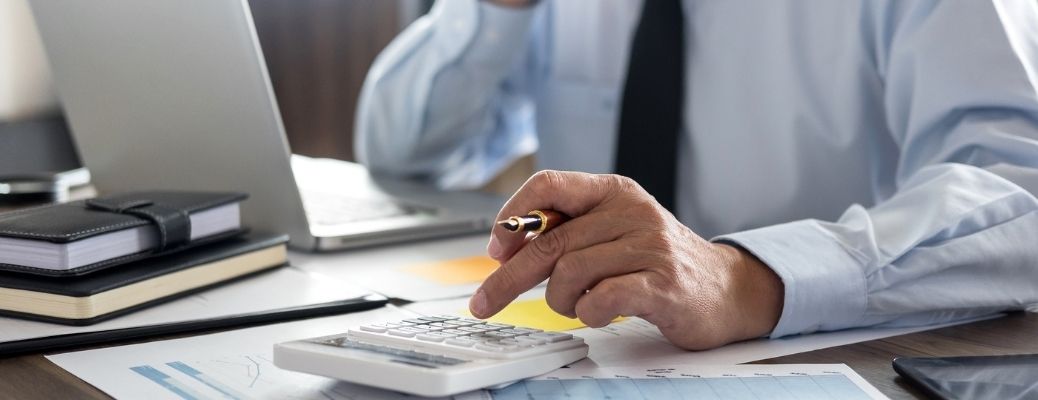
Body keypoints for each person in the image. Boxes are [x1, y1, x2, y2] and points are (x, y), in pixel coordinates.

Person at [354, 0, 1038, 350]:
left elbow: (1020, 195)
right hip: (587, 349)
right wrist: (494, 13)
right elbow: (404, 157)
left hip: (823, 355)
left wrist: (746, 279)